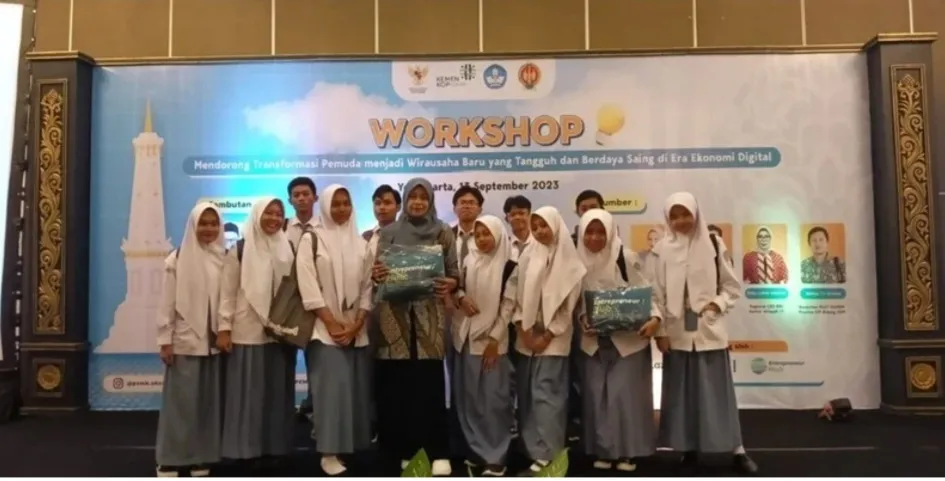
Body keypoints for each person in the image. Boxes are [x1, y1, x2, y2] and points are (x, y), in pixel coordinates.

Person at [652, 192, 758, 475]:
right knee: (682, 396)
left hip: (708, 330)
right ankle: (688, 447)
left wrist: (717, 304)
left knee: (718, 396)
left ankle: (737, 449)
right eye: (674, 216)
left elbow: (732, 286)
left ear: (696, 213)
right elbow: (656, 294)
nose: (680, 221)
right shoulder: (661, 249)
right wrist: (660, 331)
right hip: (677, 332)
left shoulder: (713, 243)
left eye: (685, 214)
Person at [371, 178, 460, 476]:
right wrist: (377, 273)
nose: (418, 202)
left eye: (423, 197)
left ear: (431, 200)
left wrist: (450, 283)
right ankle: (406, 450)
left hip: (429, 318)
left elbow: (454, 273)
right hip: (394, 319)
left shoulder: (442, 231)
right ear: (405, 200)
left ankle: (437, 452)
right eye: (413, 197)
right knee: (399, 389)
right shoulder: (389, 232)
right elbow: (379, 273)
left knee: (430, 387)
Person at [576, 209, 661, 472]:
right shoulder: (575, 262)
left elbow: (650, 293)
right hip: (593, 341)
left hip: (628, 341)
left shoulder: (627, 257)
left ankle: (628, 452)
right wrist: (582, 319)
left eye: (600, 232)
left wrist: (655, 319)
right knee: (597, 397)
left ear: (611, 232)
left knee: (626, 398)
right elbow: (574, 302)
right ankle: (605, 450)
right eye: (589, 232)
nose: (594, 237)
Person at [296, 184, 374, 475]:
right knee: (329, 393)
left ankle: (348, 447)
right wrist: (331, 323)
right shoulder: (312, 239)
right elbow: (308, 285)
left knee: (352, 392)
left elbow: (368, 287)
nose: (341, 209)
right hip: (323, 331)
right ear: (326, 206)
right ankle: (328, 451)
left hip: (355, 330)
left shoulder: (361, 244)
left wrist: (356, 324)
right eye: (336, 204)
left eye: (346, 203)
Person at [218, 197, 297, 469]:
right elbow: (227, 293)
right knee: (247, 394)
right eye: (268, 213)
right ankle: (245, 449)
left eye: (278, 214)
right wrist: (224, 328)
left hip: (280, 334)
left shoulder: (288, 248)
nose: (274, 218)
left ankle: (274, 446)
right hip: (247, 331)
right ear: (256, 215)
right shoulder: (239, 249)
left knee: (276, 393)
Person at [155, 202, 227, 478]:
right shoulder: (176, 258)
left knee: (208, 405)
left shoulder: (224, 259)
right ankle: (170, 460)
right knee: (180, 406)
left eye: (214, 223)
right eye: (203, 223)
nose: (209, 229)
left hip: (214, 345)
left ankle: (201, 457)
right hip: (184, 342)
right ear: (193, 225)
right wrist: (165, 339)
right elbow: (167, 303)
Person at [513, 206, 586, 474]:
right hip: (526, 338)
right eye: (535, 227)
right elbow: (516, 295)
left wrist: (547, 335)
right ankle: (532, 450)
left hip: (553, 340)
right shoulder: (528, 256)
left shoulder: (571, 263)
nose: (540, 231)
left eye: (544, 225)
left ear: (555, 226)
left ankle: (549, 455)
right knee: (528, 396)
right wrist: (524, 330)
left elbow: (568, 307)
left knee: (548, 397)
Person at [451, 215, 517, 477]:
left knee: (494, 402)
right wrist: (460, 297)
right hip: (465, 339)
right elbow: (457, 288)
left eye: (486, 233)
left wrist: (494, 340)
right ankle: (477, 453)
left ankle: (496, 458)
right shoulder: (469, 261)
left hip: (492, 344)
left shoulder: (510, 266)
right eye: (477, 235)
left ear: (498, 234)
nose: (481, 239)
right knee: (469, 400)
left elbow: (509, 306)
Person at [285, 176, 319, 419]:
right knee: (285, 359)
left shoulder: (325, 228)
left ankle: (316, 405)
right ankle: (284, 410)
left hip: (317, 303)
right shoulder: (282, 227)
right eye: (296, 195)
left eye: (306, 194)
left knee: (317, 359)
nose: (301, 198)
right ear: (290, 200)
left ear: (315, 198)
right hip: (287, 304)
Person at [363, 184, 402, 250]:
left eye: (387, 203)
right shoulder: (366, 236)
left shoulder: (405, 234)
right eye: (378, 203)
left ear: (398, 207)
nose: (381, 207)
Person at [503, 195, 533, 260]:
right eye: (513, 215)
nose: (517, 217)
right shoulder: (504, 247)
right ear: (506, 219)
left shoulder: (540, 242)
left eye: (521, 213)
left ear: (530, 216)